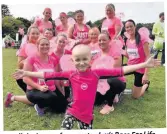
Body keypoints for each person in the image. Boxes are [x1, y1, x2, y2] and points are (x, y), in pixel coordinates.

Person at [13, 44, 160, 129]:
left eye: (85, 59)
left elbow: (120, 70)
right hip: (72, 112)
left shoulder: (96, 73)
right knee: (65, 128)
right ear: (73, 60)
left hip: (87, 116)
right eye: (78, 59)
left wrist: (144, 64)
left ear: (90, 60)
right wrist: (25, 71)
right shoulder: (70, 73)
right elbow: (47, 75)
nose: (81, 62)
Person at [5, 26, 40, 107]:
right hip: (23, 77)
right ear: (28, 35)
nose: (35, 35)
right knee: (36, 101)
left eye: (37, 33)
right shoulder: (24, 47)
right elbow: (19, 64)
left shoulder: (40, 46)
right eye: (33, 33)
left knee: (43, 98)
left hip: (36, 77)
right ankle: (12, 98)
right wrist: (28, 61)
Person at [92, 32, 126, 114]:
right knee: (95, 102)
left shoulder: (115, 52)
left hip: (116, 82)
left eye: (104, 40)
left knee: (109, 80)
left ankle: (110, 105)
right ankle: (110, 95)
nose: (101, 42)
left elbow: (114, 71)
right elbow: (92, 68)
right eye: (99, 40)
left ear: (109, 40)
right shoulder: (98, 54)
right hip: (101, 83)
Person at [124, 19, 152, 99]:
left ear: (135, 27)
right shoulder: (128, 40)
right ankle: (120, 89)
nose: (129, 28)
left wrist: (146, 74)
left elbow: (148, 57)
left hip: (140, 69)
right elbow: (129, 55)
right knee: (115, 72)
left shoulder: (142, 39)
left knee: (135, 96)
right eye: (127, 27)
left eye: (130, 26)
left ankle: (146, 84)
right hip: (130, 66)